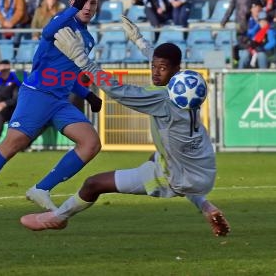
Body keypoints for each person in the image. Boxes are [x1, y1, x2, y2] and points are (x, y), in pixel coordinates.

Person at [19, 17, 230, 238]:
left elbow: (117, 90)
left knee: (93, 184)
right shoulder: (186, 83)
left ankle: (58, 217)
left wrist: (82, 60)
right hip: (202, 165)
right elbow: (160, 64)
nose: (156, 72)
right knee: (155, 158)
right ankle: (207, 206)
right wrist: (140, 42)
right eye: (154, 67)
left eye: (162, 69)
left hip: (176, 176)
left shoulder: (162, 99)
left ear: (175, 69)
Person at [0, 0, 103, 223]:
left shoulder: (87, 38)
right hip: (38, 94)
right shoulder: (62, 22)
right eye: (82, 2)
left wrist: (88, 94)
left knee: (91, 143)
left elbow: (68, 73)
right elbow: (46, 32)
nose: (87, 7)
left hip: (60, 100)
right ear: (73, 2)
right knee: (12, 145)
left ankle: (41, 188)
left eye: (92, 3)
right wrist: (71, 8)